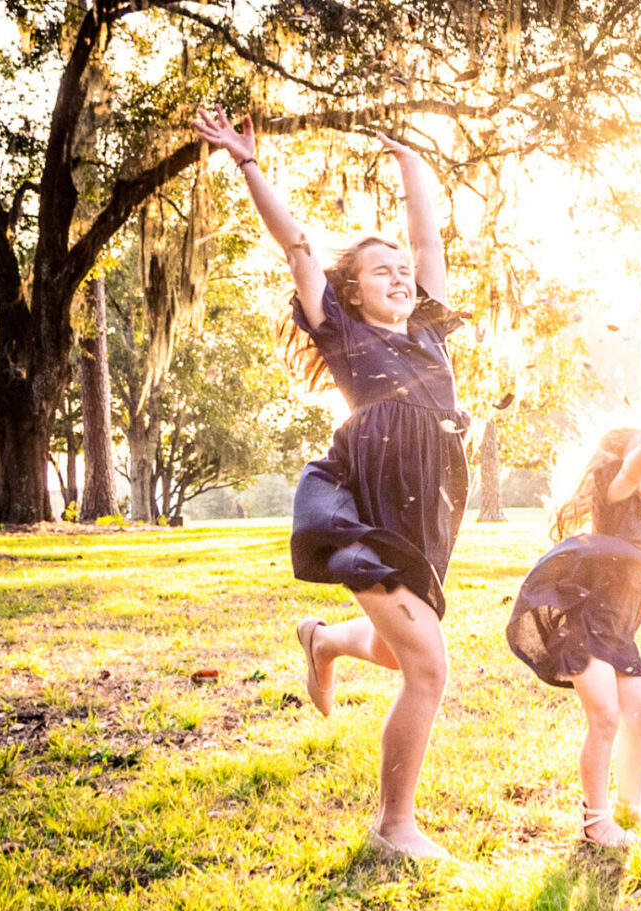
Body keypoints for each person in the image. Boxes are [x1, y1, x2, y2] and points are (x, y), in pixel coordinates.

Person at [192, 107, 468, 860]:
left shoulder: (429, 331)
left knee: (398, 647)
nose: (401, 277)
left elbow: (427, 240)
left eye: (403, 272)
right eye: (381, 271)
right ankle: (393, 827)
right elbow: (297, 244)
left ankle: (323, 642)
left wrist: (413, 162)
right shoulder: (342, 332)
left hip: (426, 510)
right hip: (362, 505)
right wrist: (247, 163)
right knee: (427, 666)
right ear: (350, 290)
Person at [507, 421, 641, 848]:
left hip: (620, 635)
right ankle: (595, 822)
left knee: (639, 716)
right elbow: (628, 473)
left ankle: (629, 811)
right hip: (587, 627)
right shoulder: (615, 496)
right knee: (605, 719)